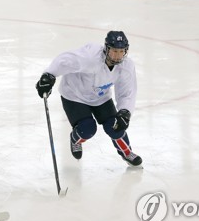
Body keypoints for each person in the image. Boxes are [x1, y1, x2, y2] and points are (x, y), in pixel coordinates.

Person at [35, 31, 142, 167]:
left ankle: (126, 153)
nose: (117, 56)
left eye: (121, 51)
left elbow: (127, 92)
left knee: (116, 127)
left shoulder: (126, 66)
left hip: (101, 97)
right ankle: (76, 140)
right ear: (107, 49)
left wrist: (125, 112)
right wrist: (49, 75)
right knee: (87, 129)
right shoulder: (90, 57)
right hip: (74, 95)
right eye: (114, 51)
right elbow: (65, 60)